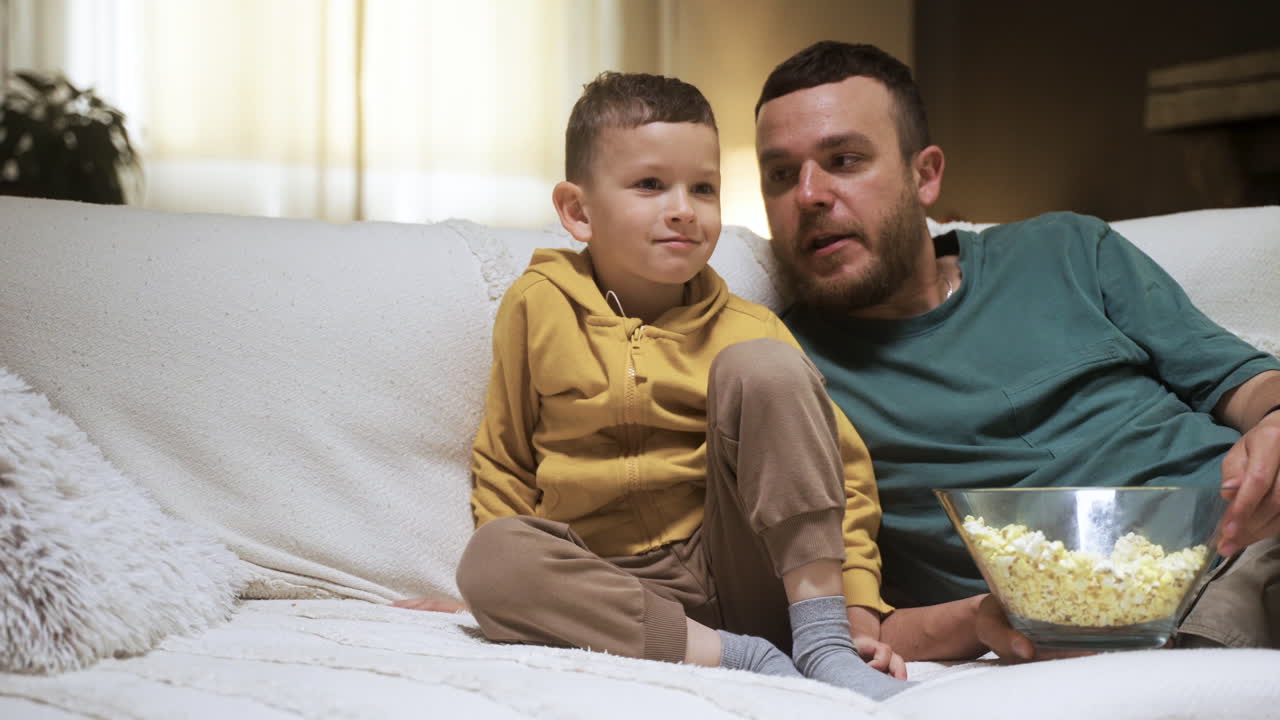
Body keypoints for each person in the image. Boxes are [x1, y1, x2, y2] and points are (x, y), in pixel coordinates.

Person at [752, 40, 1280, 661]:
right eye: (781, 175)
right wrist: (981, 618)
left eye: (843, 159)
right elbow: (841, 629)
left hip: (1253, 530)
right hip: (1155, 611)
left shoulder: (1068, 247)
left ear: (924, 174)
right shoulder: (781, 369)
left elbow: (1243, 381)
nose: (809, 195)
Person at [397, 71, 911, 698]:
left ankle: (820, 643)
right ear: (578, 211)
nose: (683, 209)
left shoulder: (751, 330)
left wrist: (854, 611)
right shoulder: (536, 306)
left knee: (765, 367)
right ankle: (733, 657)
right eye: (649, 185)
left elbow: (843, 480)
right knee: (492, 558)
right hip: (614, 586)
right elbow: (506, 458)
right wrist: (505, 598)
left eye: (704, 188)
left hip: (742, 573)